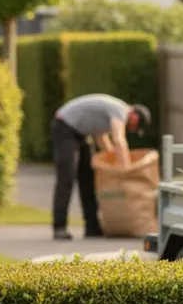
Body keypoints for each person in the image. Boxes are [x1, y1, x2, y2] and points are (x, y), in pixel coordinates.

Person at [50, 93, 151, 241]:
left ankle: (92, 227)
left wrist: (113, 163)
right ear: (135, 117)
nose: (133, 129)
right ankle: (59, 227)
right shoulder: (120, 111)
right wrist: (126, 170)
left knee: (88, 178)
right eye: (136, 126)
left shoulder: (111, 114)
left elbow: (103, 140)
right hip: (65, 126)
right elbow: (119, 141)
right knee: (67, 177)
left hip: (79, 132)